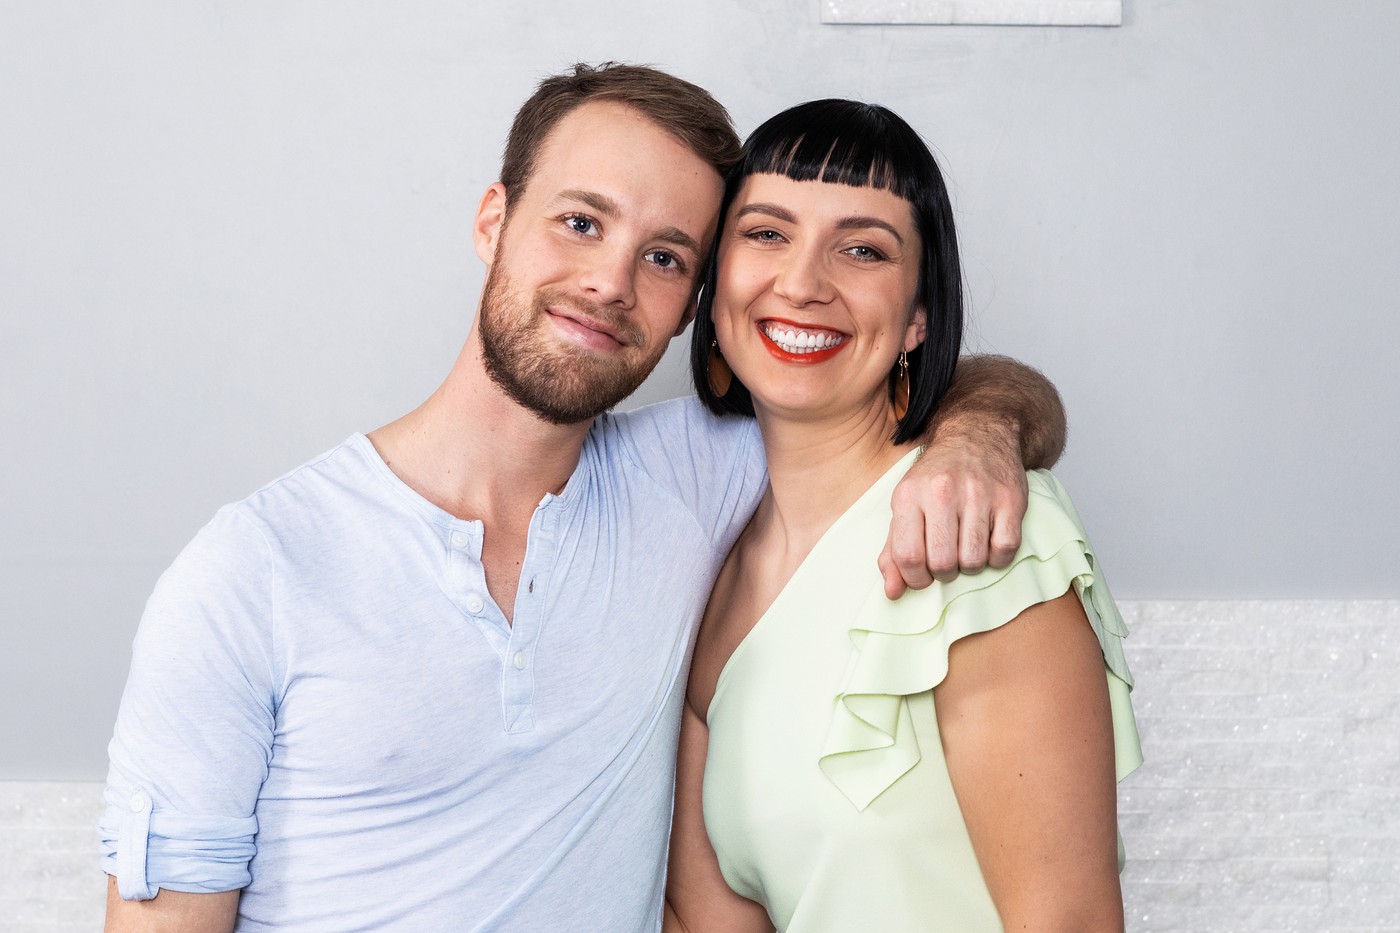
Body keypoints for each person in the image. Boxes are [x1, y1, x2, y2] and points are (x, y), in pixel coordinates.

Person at [100, 66, 1067, 932]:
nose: (609, 281)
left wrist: (978, 433)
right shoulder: (254, 568)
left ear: (695, 301)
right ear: (493, 221)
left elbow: (929, 389)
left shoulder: (697, 477)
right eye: (581, 221)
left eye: (664, 256)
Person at [665, 100, 1143, 933]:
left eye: (862, 249)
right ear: (714, 284)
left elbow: (1067, 920)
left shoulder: (984, 536)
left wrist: (984, 427)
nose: (804, 283)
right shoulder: (713, 581)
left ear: (919, 315)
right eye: (767, 233)